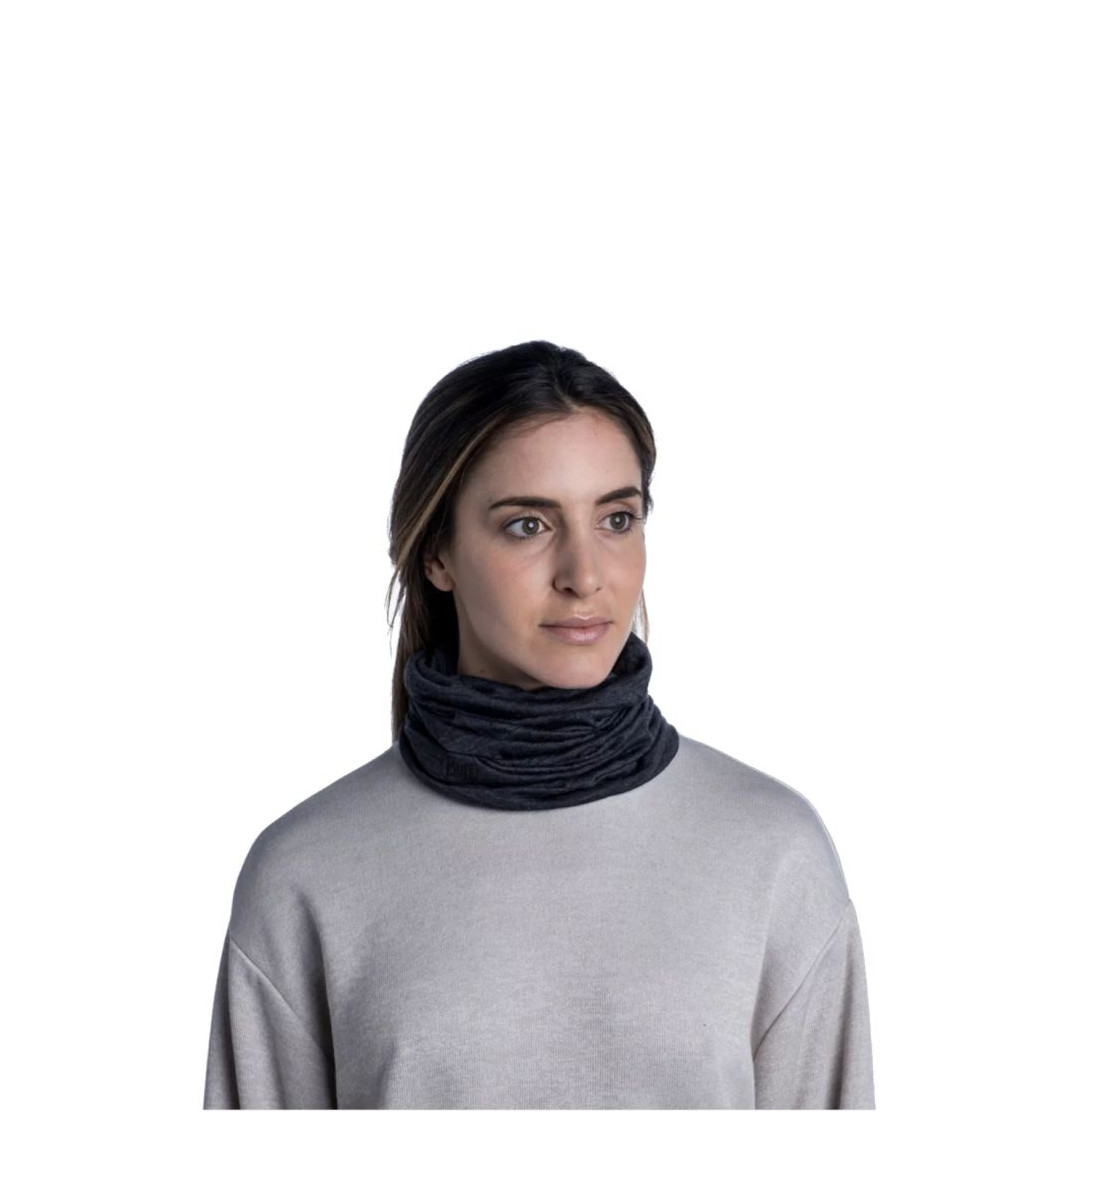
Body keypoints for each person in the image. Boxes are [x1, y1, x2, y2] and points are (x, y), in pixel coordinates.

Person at [202, 339, 876, 1109]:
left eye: (617, 518)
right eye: (528, 525)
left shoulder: (774, 854)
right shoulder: (307, 873)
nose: (585, 575)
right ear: (437, 554)